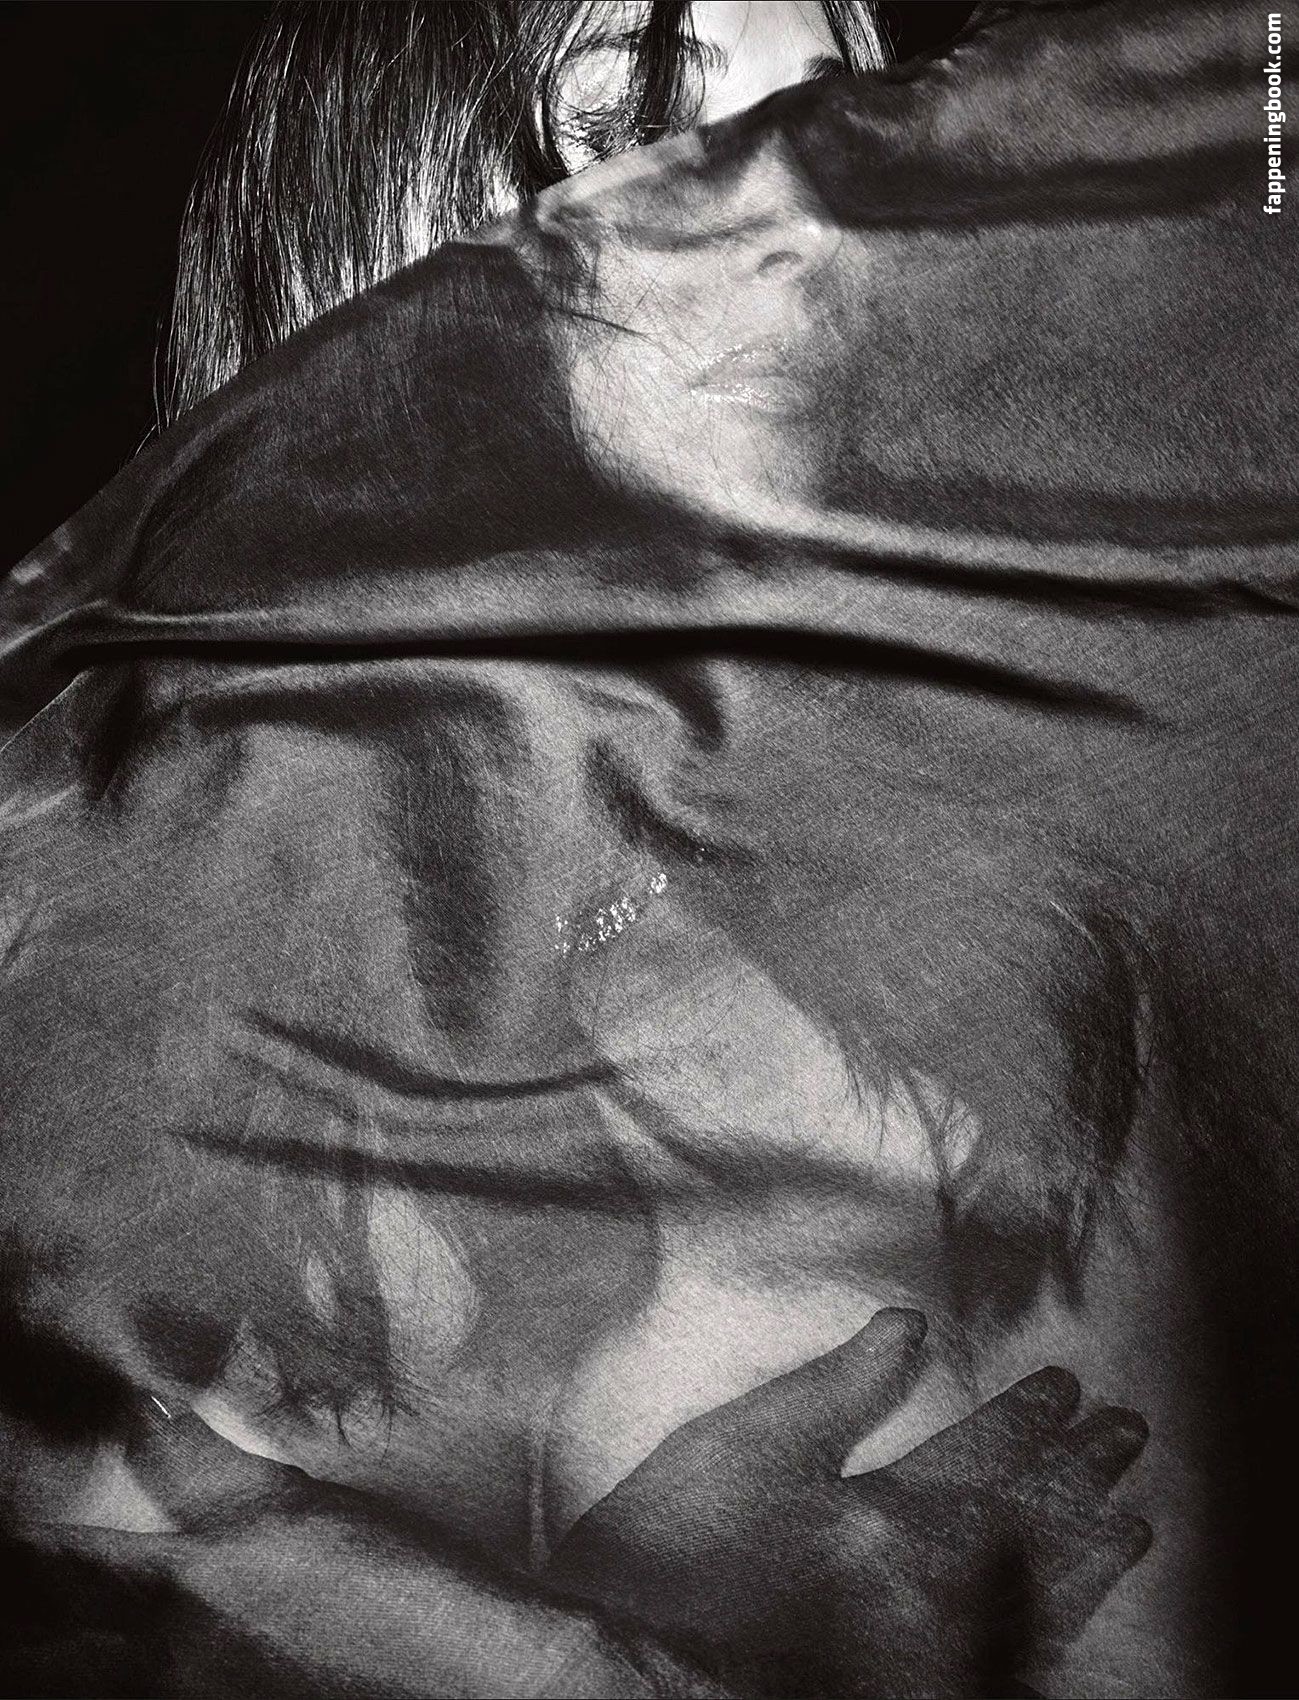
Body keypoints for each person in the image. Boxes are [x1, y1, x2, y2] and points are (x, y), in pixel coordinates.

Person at [4, 2, 1209, 1696]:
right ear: (384, 204)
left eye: (845, 125)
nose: (797, 213)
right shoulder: (81, 947)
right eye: (644, 118)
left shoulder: (1008, 870)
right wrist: (620, 1643)